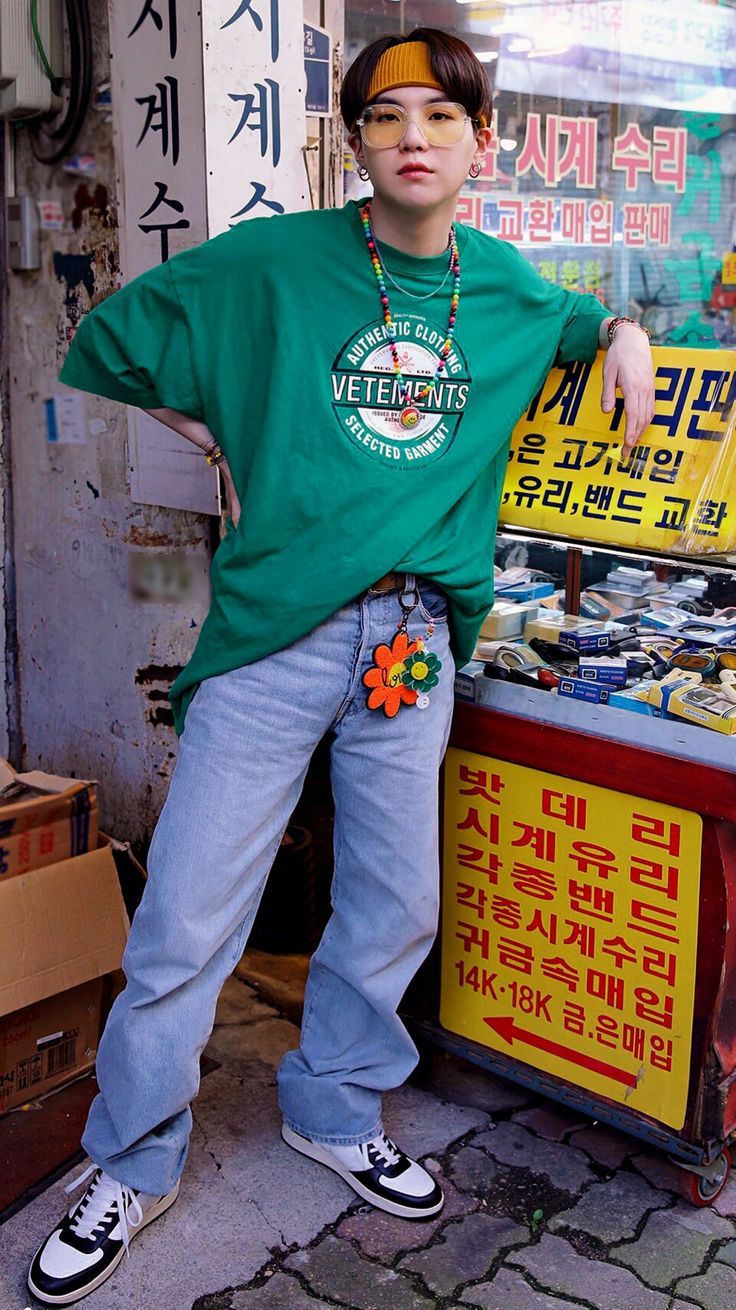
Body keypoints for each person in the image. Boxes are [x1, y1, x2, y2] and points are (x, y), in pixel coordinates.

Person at [27, 26, 654, 1306]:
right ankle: (131, 1162)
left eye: (440, 114)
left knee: (391, 901)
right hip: (275, 636)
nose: (412, 135)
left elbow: (583, 324)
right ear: (353, 141)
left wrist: (629, 334)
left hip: (413, 642)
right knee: (191, 913)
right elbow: (116, 335)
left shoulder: (508, 287)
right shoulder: (281, 262)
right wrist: (221, 434)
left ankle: (333, 1103)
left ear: (483, 142)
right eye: (384, 115)